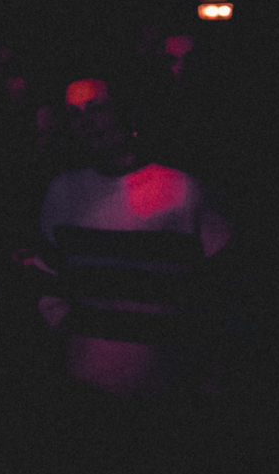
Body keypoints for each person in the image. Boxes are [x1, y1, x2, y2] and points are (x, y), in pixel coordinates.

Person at [34, 76, 232, 400]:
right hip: (84, 389)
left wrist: (212, 374)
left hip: (170, 389)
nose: (85, 122)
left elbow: (227, 286)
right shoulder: (63, 193)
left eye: (95, 108)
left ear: (123, 111)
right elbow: (44, 280)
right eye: (74, 114)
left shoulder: (183, 192)